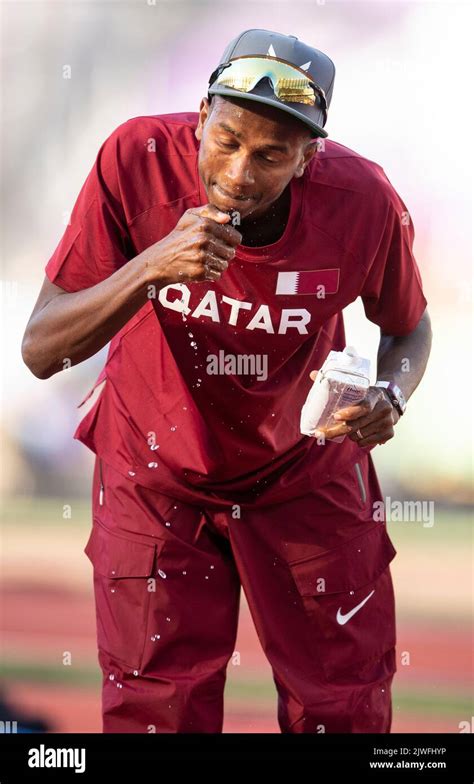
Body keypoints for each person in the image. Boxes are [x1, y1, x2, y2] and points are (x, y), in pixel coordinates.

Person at [21, 29, 432, 733]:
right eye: (229, 138)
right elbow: (42, 347)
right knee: (157, 711)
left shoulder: (363, 201)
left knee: (344, 708)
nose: (241, 172)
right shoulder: (136, 159)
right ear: (202, 113)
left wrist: (390, 394)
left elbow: (409, 327)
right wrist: (151, 265)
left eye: (272, 154)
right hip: (154, 472)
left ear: (310, 157)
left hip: (305, 471)